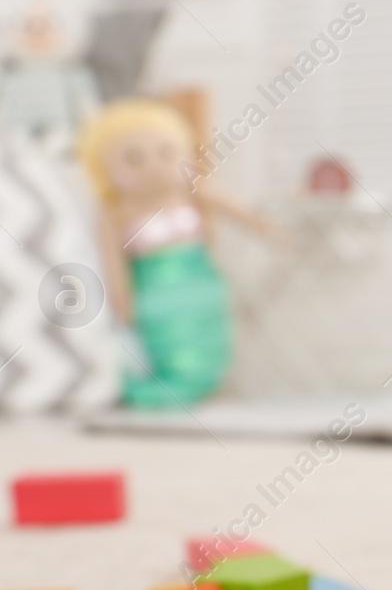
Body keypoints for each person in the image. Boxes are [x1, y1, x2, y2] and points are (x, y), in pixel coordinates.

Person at [78, 99, 275, 408]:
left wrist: (269, 228)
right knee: (172, 345)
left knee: (208, 342)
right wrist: (122, 300)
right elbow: (113, 263)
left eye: (166, 153)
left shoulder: (189, 190)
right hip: (155, 292)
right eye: (133, 158)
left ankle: (207, 385)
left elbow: (237, 209)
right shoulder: (114, 216)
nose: (153, 166)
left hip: (201, 284)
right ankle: (168, 388)